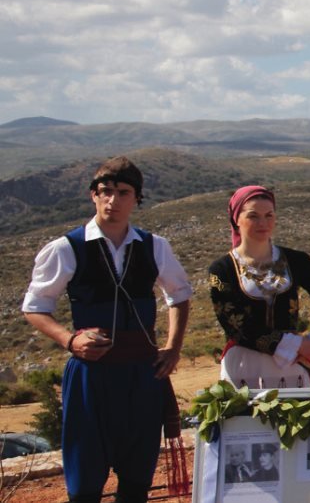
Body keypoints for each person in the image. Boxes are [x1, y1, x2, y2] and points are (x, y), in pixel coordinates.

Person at [21, 157, 193, 503]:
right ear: (93, 196)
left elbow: (180, 294)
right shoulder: (66, 248)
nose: (113, 200)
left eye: (123, 193)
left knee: (137, 480)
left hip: (142, 375)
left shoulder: (154, 246)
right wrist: (70, 339)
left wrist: (173, 348)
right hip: (91, 376)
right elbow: (36, 307)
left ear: (136, 199)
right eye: (105, 192)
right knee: (84, 484)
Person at [209, 186, 310, 388]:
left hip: (291, 367)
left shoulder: (297, 261)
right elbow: (235, 324)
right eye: (253, 216)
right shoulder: (221, 270)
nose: (263, 223)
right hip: (243, 367)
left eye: (269, 215)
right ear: (236, 219)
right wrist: (296, 345)